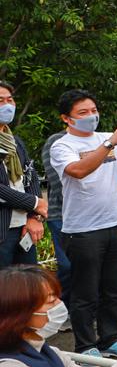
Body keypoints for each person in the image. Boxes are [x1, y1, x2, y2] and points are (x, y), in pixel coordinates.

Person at [50, 90, 117, 357]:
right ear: (66, 118)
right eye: (82, 112)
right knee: (85, 293)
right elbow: (78, 171)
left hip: (115, 224)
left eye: (93, 110)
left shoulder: (108, 137)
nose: (91, 116)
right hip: (82, 230)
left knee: (113, 288)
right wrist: (109, 144)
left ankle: (110, 338)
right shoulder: (62, 145)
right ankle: (85, 346)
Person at [0, 81, 46, 267]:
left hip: (23, 227)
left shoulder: (15, 141)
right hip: (3, 229)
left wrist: (34, 216)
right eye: (0, 101)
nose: (7, 105)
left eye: (10, 100)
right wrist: (35, 203)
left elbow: (30, 176)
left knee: (26, 285)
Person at [41, 124, 73, 312]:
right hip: (60, 213)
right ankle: (60, 309)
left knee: (88, 267)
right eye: (81, 112)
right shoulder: (55, 141)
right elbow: (57, 181)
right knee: (67, 265)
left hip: (91, 218)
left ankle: (82, 310)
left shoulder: (97, 141)